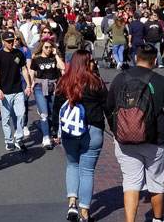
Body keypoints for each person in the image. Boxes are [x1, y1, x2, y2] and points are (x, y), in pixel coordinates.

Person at [106, 44, 164, 222]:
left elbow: (109, 107)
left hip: (125, 141)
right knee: (156, 180)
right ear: (155, 61)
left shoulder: (120, 79)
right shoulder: (159, 81)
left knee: (131, 182)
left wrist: (116, 132)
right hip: (155, 139)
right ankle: (157, 219)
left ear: (135, 58)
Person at [53, 50, 108, 222]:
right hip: (93, 130)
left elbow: (56, 110)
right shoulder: (96, 83)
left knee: (72, 165)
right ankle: (84, 212)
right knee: (87, 171)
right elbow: (108, 108)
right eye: (91, 61)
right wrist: (116, 131)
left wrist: (56, 131)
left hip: (70, 131)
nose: (94, 64)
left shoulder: (63, 82)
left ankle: (72, 204)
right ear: (85, 63)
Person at [0, 31, 31, 152]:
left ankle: (19, 138)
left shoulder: (19, 53)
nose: (11, 43)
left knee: (20, 114)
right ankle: (8, 141)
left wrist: (28, 85)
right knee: (6, 118)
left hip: (18, 89)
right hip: (5, 91)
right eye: (8, 41)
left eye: (12, 41)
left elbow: (24, 69)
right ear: (3, 42)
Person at [30, 36, 65, 149]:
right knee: (44, 113)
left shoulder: (54, 58)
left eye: (50, 47)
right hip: (40, 87)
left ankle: (53, 132)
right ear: (42, 47)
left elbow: (62, 67)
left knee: (53, 113)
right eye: (46, 47)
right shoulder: (36, 59)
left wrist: (56, 54)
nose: (48, 49)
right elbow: (32, 72)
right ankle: (46, 138)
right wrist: (31, 83)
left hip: (53, 86)